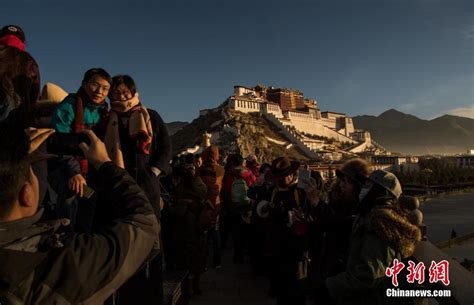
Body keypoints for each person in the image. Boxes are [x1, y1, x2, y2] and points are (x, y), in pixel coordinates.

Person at [0, 128, 159, 304]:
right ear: (27, 196)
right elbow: (145, 222)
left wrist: (8, 160)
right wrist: (105, 164)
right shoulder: (70, 262)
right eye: (33, 174)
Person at [103, 74, 171, 304]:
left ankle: (152, 293)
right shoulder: (107, 120)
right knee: (123, 239)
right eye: (116, 93)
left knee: (152, 242)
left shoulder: (150, 116)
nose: (121, 96)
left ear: (133, 93)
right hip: (118, 190)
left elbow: (165, 149)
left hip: (147, 189)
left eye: (125, 92)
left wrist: (154, 172)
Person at [319, 170, 422, 305]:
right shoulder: (372, 218)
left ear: (380, 193)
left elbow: (368, 275)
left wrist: (329, 287)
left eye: (368, 186)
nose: (363, 189)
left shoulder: (381, 225)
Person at [50, 68, 111, 232]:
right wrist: (74, 172)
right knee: (71, 192)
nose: (99, 91)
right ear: (84, 84)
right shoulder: (69, 106)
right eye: (95, 85)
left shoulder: (105, 112)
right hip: (65, 164)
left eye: (105, 88)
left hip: (93, 167)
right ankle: (63, 238)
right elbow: (59, 144)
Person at [265, 156, 311, 305]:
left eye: (283, 176)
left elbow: (309, 218)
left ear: (291, 175)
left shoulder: (300, 193)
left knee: (297, 291)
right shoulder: (273, 192)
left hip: (295, 251)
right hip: (278, 250)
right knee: (282, 292)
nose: (281, 180)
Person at [168, 165, 208, 296]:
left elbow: (177, 213)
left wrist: (167, 206)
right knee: (197, 259)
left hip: (184, 232)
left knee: (185, 261)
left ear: (178, 179)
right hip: (198, 231)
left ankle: (187, 289)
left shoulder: (179, 193)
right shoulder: (197, 191)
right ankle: (197, 287)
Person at [197, 145, 225, 268]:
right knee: (215, 233)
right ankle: (217, 261)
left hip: (205, 204)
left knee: (204, 233)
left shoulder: (201, 170)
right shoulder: (221, 170)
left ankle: (203, 261)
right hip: (217, 204)